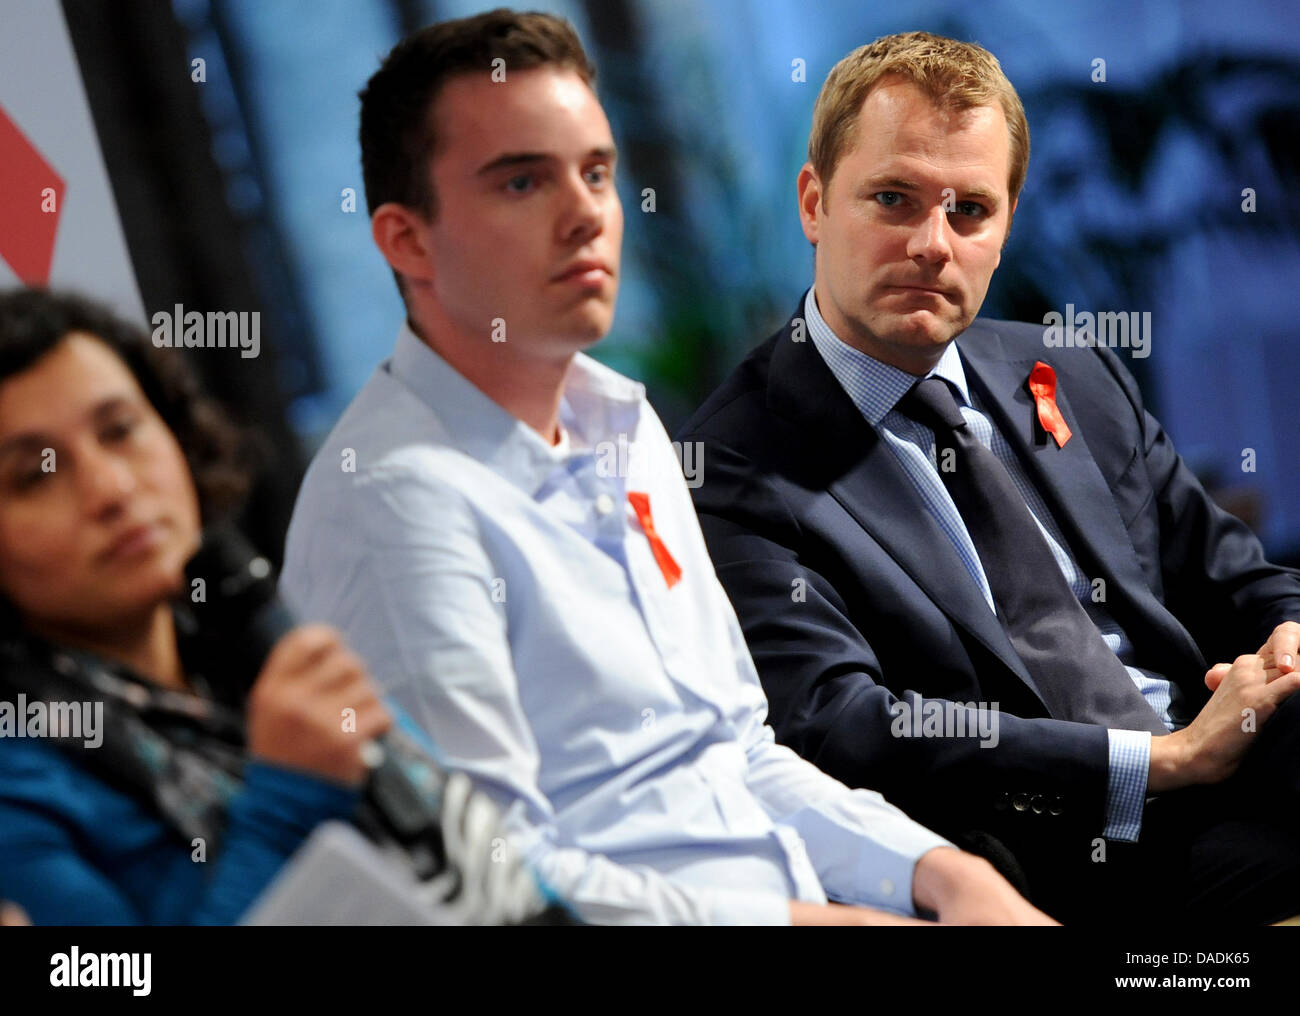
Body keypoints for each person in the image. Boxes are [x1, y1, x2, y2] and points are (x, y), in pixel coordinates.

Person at [281, 8, 1052, 926]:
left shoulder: (623, 425)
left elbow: (736, 747)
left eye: (596, 173)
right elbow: (493, 881)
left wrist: (941, 875)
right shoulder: (396, 499)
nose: (584, 215)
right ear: (407, 239)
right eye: (523, 181)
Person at [677, 30, 1300, 924]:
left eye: (969, 210)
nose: (933, 244)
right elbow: (843, 726)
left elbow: (1243, 577)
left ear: (1005, 225)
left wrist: (1286, 645)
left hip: (1228, 761)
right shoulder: (732, 465)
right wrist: (1160, 762)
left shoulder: (1069, 370)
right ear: (814, 202)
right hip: (1046, 847)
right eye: (893, 199)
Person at [0, 288, 529, 926]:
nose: (112, 489)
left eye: (120, 430)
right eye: (35, 475)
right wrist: (288, 799)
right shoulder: (20, 788)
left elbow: (497, 865)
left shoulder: (253, 647)